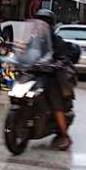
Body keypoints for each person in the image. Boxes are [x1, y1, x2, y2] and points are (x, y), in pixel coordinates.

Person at [34, 9, 79, 151]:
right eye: (38, 22)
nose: (40, 26)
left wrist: (59, 61)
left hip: (51, 76)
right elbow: (27, 53)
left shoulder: (56, 41)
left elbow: (63, 55)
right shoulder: (35, 40)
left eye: (43, 23)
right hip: (36, 74)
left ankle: (65, 136)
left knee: (55, 103)